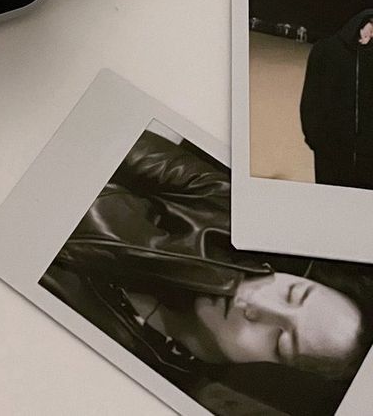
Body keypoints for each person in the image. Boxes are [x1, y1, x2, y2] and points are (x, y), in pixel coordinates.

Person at [40, 130, 373, 415]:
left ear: (272, 372)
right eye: (292, 293)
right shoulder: (223, 210)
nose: (258, 305)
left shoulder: (141, 383)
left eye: (279, 341)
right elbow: (96, 134)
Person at [300, 10, 373, 189]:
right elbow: (310, 101)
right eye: (370, 26)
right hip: (331, 154)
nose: (370, 34)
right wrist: (316, 140)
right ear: (360, 22)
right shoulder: (325, 51)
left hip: (368, 158)